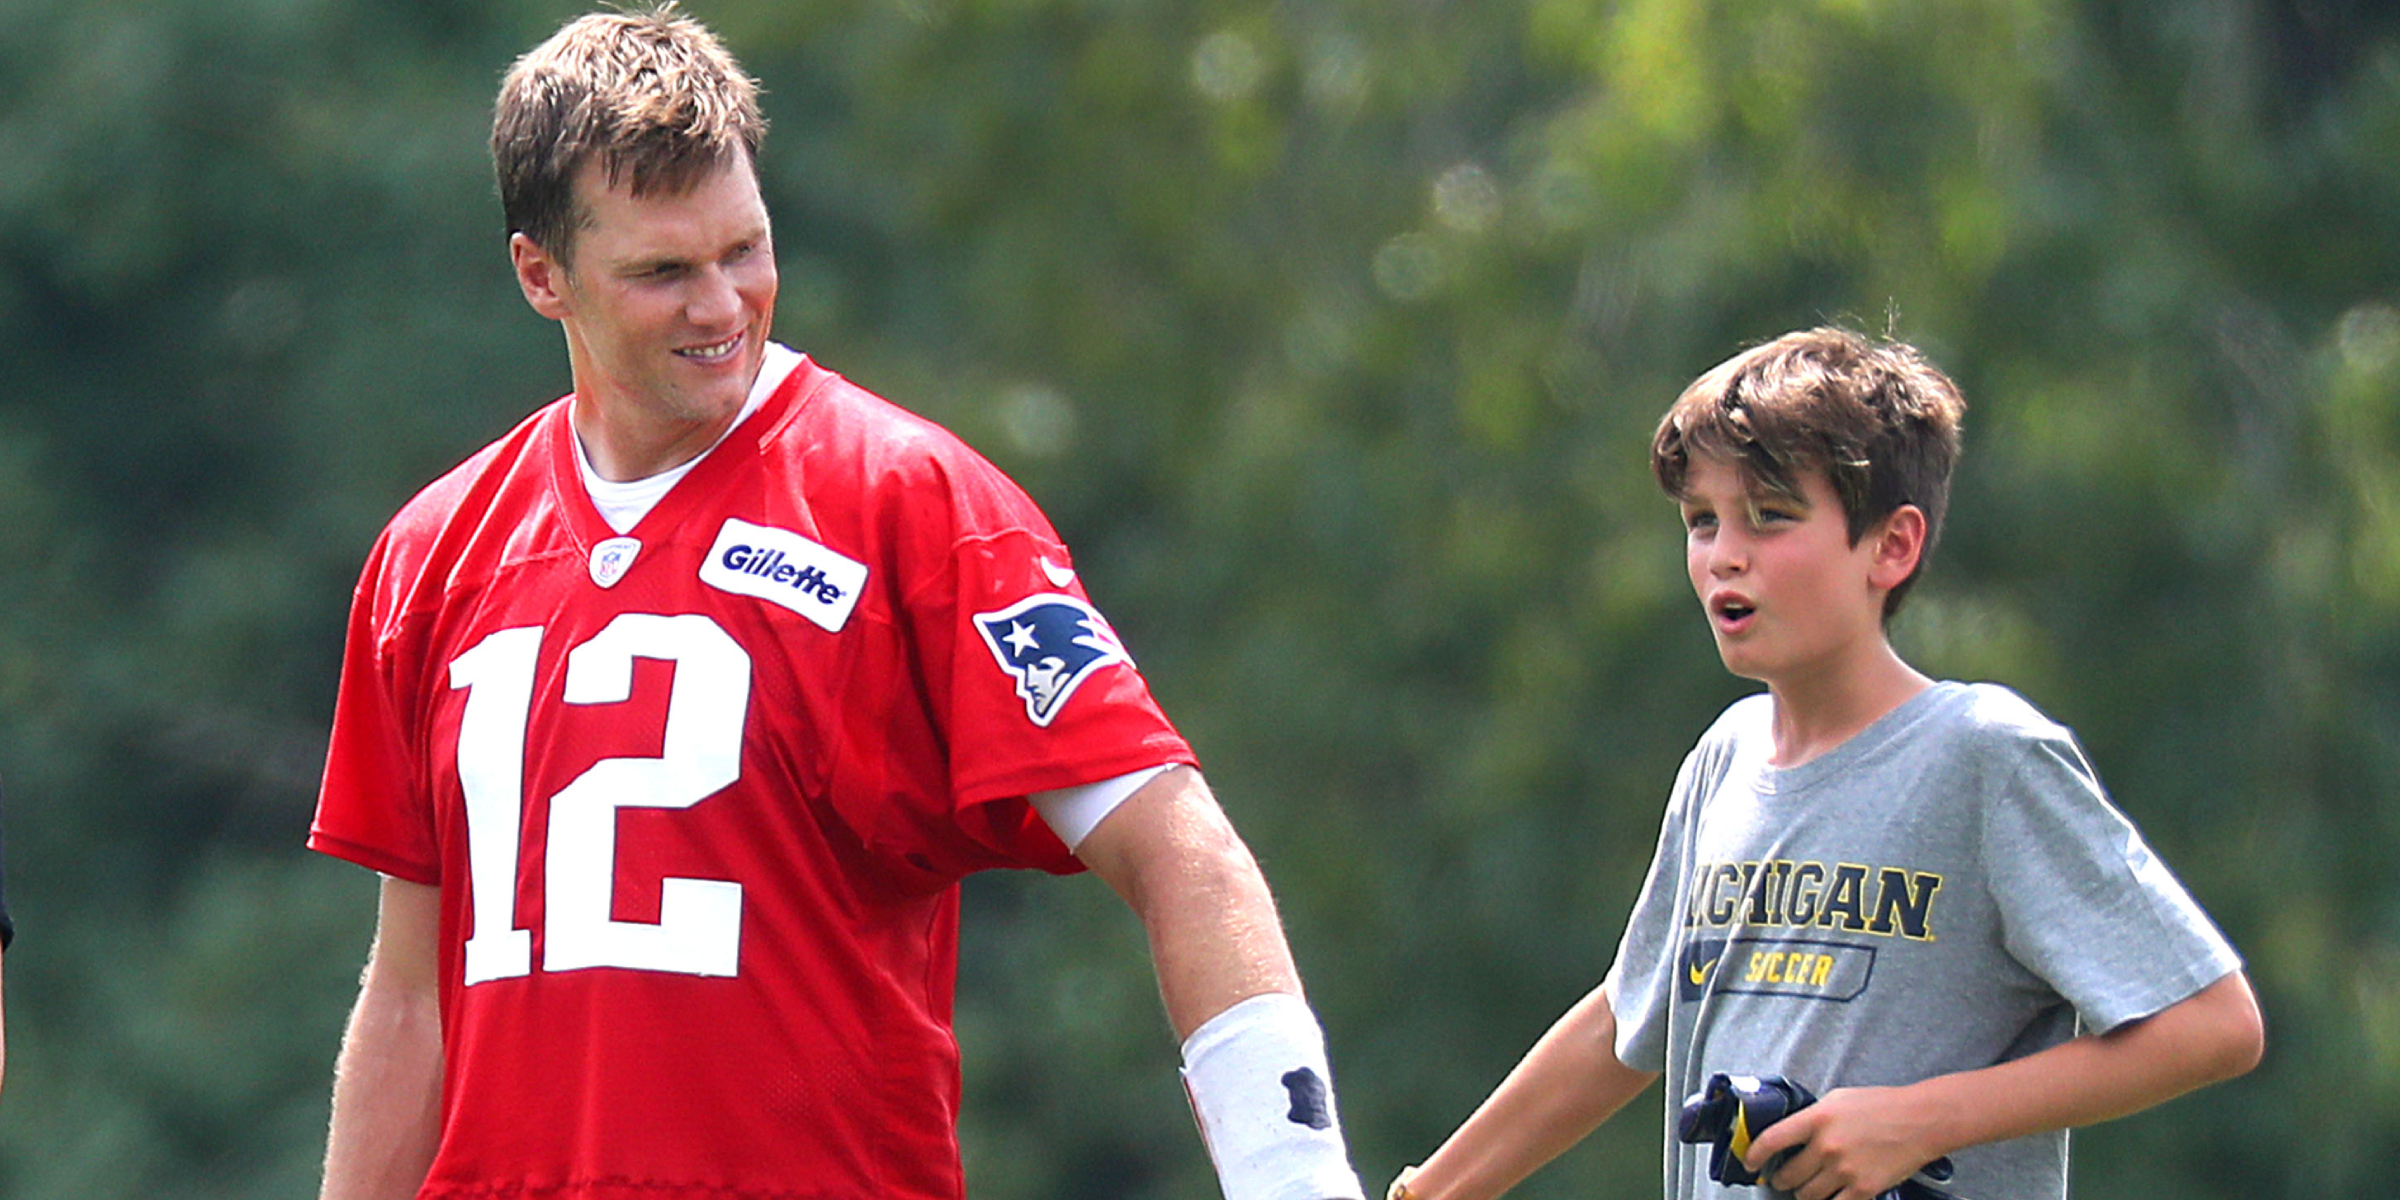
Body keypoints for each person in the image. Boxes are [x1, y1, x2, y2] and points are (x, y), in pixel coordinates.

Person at [306, 7, 1363, 1199]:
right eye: (663, 271)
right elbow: (410, 996)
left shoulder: (910, 506)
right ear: (539, 274)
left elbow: (1182, 851)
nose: (723, 306)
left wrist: (1295, 1178)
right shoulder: (433, 558)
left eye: (745, 250)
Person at [1388, 327, 2264, 1200]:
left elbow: (2212, 1024)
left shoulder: (1984, 756)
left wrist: (1918, 1120)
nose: (1723, 554)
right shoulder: (1721, 761)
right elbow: (1628, 1017)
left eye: (1770, 517)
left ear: (1892, 546)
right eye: (1702, 521)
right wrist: (1431, 1193)